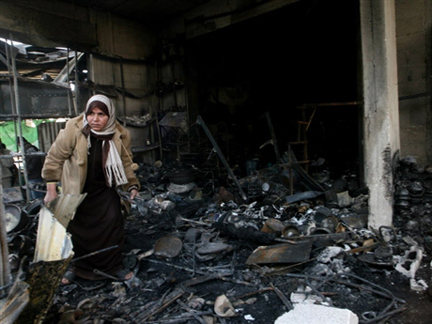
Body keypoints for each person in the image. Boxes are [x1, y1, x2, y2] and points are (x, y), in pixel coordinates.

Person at [42, 94, 140, 285]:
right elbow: (54, 158)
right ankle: (77, 268)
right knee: (76, 228)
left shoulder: (120, 134)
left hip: (105, 188)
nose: (95, 119)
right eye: (91, 114)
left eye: (101, 114)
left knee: (113, 222)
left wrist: (132, 185)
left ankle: (114, 268)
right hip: (78, 189)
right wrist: (51, 189)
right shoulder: (74, 128)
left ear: (109, 115)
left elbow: (126, 163)